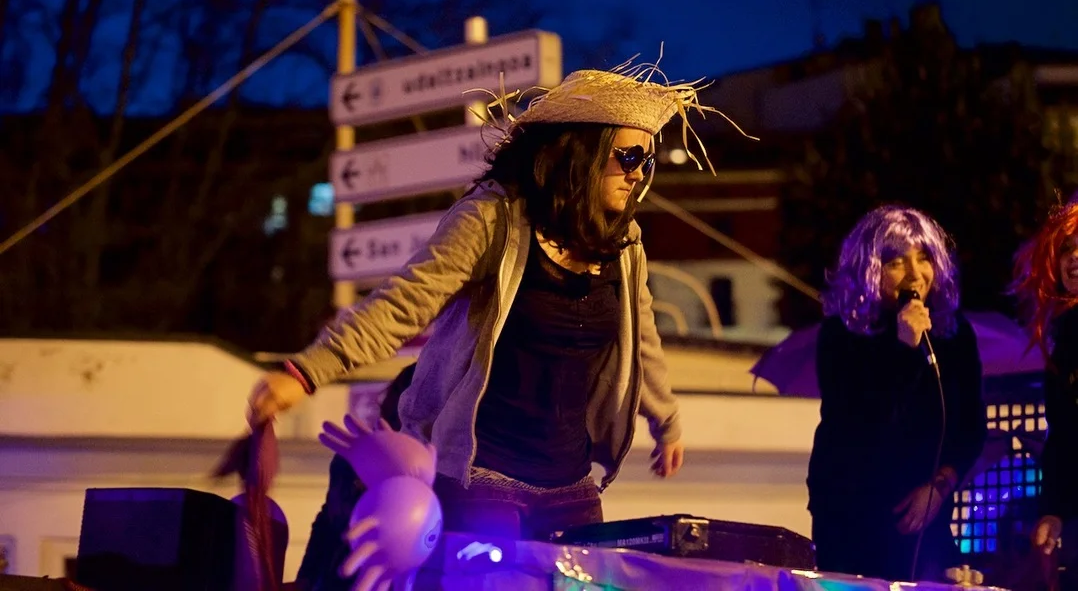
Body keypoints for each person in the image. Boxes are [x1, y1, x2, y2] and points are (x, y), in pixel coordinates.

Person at [248, 62, 750, 540]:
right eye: (629, 157)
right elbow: (402, 304)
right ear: (581, 154)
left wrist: (666, 421)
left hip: (571, 484)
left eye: (647, 160)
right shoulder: (492, 220)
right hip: (481, 478)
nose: (639, 174)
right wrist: (307, 372)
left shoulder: (623, 241)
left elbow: (641, 339)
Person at [807, 205, 987, 581]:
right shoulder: (841, 335)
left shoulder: (953, 333)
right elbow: (862, 427)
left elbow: (970, 427)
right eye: (896, 263)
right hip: (852, 515)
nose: (915, 274)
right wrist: (904, 348)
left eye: (924, 258)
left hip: (924, 509)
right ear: (869, 270)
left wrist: (939, 487)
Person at [294, 363, 416, 591]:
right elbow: (326, 521)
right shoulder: (349, 459)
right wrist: (305, 578)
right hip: (332, 581)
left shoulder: (428, 471)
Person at [1011, 199, 1078, 589]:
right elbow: (1064, 438)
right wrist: (1053, 511)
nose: (1074, 258)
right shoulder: (1065, 338)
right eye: (1067, 249)